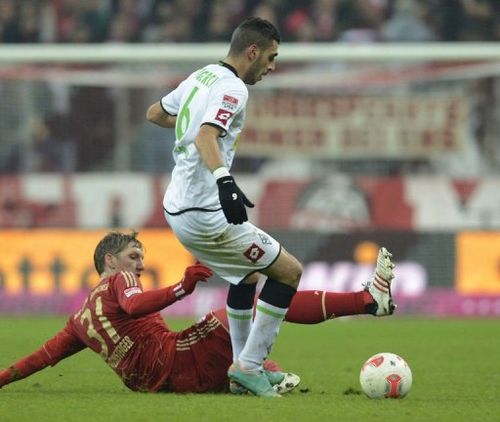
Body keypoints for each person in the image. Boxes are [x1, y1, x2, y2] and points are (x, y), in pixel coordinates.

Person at [0, 230, 396, 395]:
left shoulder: (79, 320)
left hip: (162, 384)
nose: (138, 264)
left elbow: (42, 358)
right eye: (133, 256)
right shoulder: (117, 282)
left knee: (245, 302)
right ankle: (365, 302)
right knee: (261, 303)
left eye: (141, 257)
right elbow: (135, 304)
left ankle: (254, 373)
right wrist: (180, 287)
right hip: (176, 360)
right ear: (110, 259)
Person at [145, 16, 303, 398]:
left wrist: (192, 133)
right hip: (203, 213)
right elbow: (205, 135)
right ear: (253, 51)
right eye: (271, 57)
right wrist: (224, 180)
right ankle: (249, 366)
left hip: (176, 207)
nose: (272, 67)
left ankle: (242, 369)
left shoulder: (202, 76)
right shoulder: (234, 88)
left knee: (245, 277)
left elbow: (156, 113)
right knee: (289, 272)